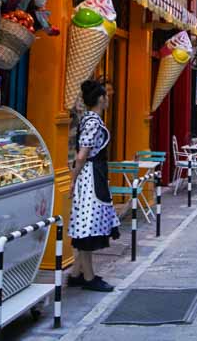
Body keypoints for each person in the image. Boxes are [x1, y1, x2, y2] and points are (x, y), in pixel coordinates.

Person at [68, 80, 119, 292]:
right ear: (100, 98)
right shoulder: (93, 122)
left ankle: (76, 273)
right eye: (106, 95)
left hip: (92, 174)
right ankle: (89, 278)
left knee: (87, 223)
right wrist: (72, 179)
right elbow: (82, 155)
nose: (108, 99)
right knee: (88, 226)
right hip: (90, 177)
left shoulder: (91, 119)